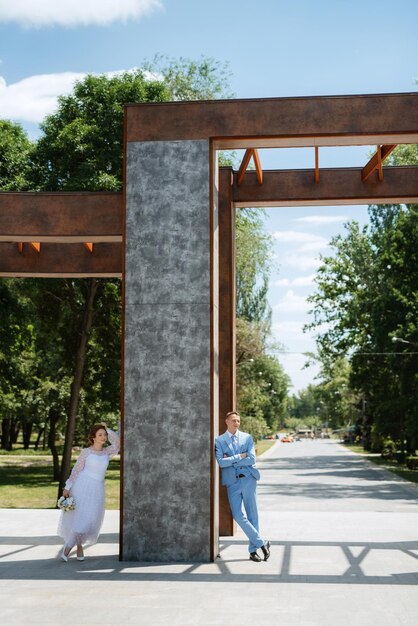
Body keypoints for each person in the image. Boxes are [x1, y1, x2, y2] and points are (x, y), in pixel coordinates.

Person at [58, 423, 120, 562]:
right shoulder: (86, 452)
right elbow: (76, 470)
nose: (103, 437)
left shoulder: (107, 452)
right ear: (93, 437)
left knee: (90, 519)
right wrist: (67, 487)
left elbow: (118, 443)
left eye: (104, 435)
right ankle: (68, 548)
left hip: (97, 489)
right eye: (100, 435)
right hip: (82, 486)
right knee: (82, 518)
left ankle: (79, 547)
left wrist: (107, 429)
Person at [215, 411, 270, 563]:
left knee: (253, 515)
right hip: (232, 483)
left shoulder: (247, 438)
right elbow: (221, 462)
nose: (236, 423)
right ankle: (262, 543)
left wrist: (231, 460)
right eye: (233, 420)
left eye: (238, 421)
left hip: (248, 480)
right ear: (226, 421)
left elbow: (251, 459)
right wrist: (240, 456)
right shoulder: (219, 440)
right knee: (238, 515)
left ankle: (253, 551)